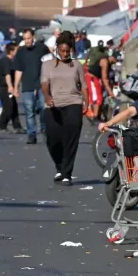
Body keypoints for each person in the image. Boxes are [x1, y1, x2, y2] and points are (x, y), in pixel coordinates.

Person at [41, 31, 88, 187]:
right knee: (52, 139)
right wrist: (47, 97)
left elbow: (84, 85)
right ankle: (60, 166)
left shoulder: (77, 65)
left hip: (73, 103)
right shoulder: (47, 65)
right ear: (56, 50)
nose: (65, 54)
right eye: (62, 51)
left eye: (68, 51)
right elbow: (44, 83)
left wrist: (86, 101)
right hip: (53, 105)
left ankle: (67, 173)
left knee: (71, 138)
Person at [13, 28, 50, 144]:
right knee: (29, 111)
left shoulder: (42, 48)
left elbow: (50, 63)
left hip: (42, 83)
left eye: (28, 38)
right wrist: (15, 86)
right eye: (25, 39)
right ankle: (31, 134)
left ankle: (45, 129)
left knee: (44, 108)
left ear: (33, 37)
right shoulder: (21, 51)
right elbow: (19, 69)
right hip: (27, 84)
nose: (27, 41)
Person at [0, 42, 25, 134]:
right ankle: (1, 126)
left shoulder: (12, 61)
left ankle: (17, 126)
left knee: (14, 107)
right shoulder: (6, 61)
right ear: (11, 51)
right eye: (17, 50)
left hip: (8, 87)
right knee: (8, 108)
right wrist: (10, 87)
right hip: (4, 88)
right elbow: (7, 75)